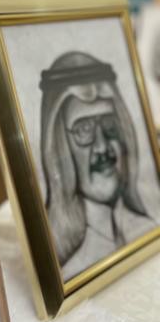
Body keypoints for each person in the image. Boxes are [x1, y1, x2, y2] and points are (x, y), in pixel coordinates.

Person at [38, 51, 154, 276]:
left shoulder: (150, 229)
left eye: (109, 124)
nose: (102, 147)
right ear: (61, 147)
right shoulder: (71, 272)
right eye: (84, 129)